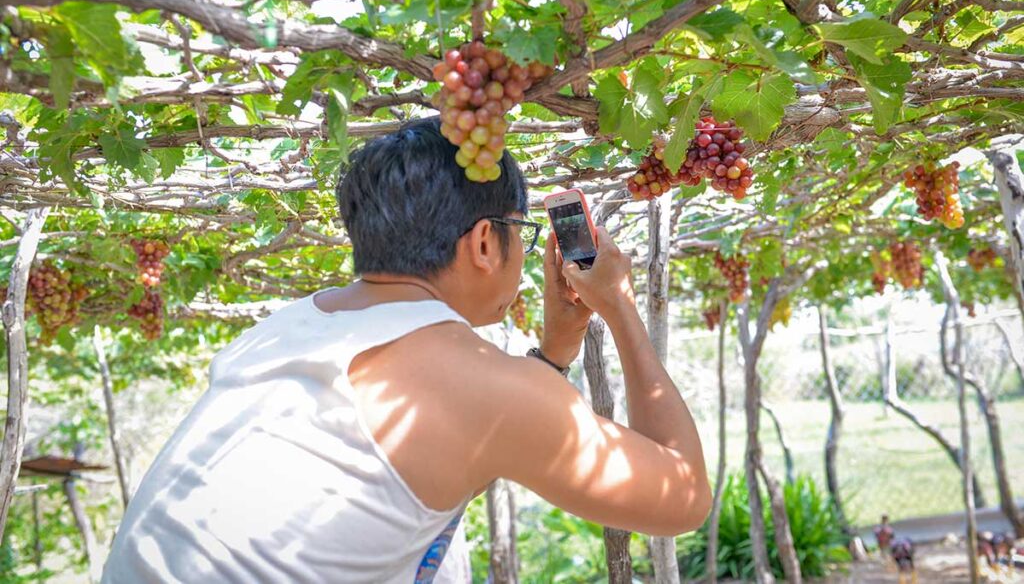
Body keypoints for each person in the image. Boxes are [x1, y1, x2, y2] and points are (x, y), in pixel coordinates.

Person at [102, 117, 710, 583]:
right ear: (482, 244)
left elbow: (415, 472)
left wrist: (554, 352)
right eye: (521, 233)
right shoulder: (479, 386)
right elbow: (683, 496)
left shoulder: (289, 327)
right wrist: (620, 307)